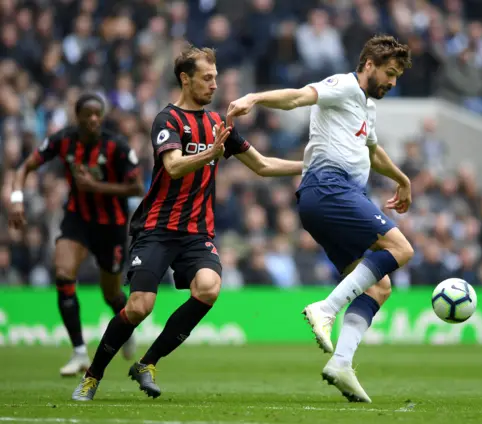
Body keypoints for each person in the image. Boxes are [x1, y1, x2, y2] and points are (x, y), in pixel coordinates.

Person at [71, 45, 303, 401]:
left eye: (216, 78)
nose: (215, 85)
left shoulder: (217, 124)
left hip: (196, 233)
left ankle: (148, 363)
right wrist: (212, 152)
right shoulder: (168, 121)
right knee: (139, 308)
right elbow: (174, 166)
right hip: (157, 230)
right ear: (185, 78)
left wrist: (309, 165)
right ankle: (92, 375)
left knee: (209, 288)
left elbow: (263, 165)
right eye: (207, 78)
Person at [226, 34, 414, 402]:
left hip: (335, 196)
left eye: (397, 77)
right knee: (401, 247)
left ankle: (341, 363)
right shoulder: (343, 85)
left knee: (379, 287)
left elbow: (373, 152)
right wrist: (255, 97)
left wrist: (402, 179)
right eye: (389, 73)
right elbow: (298, 97)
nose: (392, 83)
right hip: (330, 188)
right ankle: (325, 309)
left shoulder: (366, 107)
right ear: (369, 65)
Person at [9, 93, 143, 376]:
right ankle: (79, 351)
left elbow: (137, 188)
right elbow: (25, 167)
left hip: (111, 227)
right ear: (77, 116)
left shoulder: (116, 146)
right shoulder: (63, 140)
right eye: (88, 114)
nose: (93, 119)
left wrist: (97, 187)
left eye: (98, 114)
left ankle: (126, 329)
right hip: (78, 221)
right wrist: (17, 198)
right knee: (63, 274)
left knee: (111, 295)